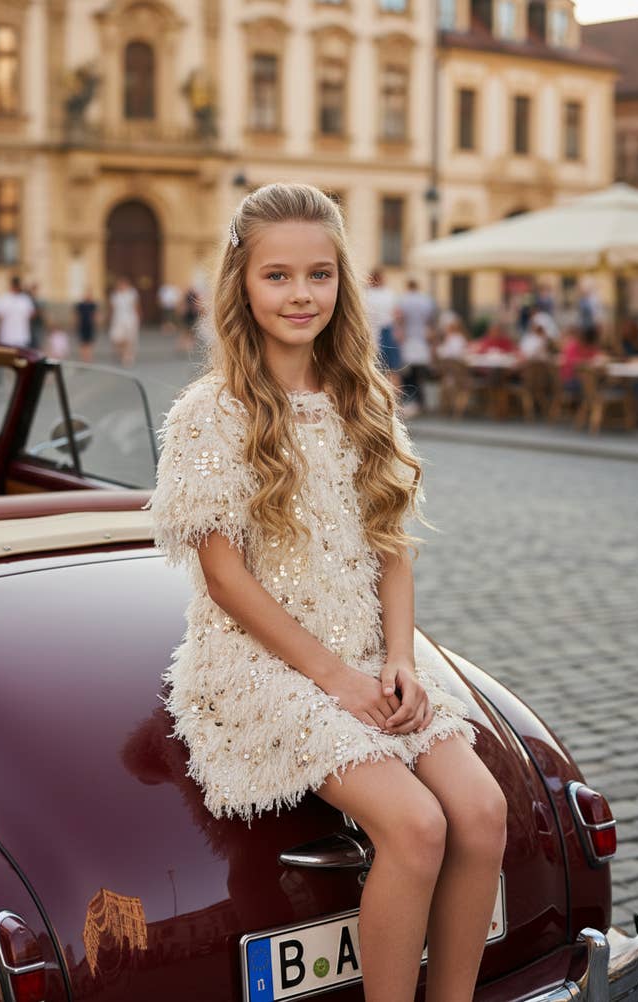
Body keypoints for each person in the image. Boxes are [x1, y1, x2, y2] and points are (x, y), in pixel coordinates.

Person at [148, 183, 506, 1002]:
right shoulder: (212, 413)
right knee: (416, 826)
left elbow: (391, 545)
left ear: (342, 282)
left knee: (481, 814)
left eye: (319, 274)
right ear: (241, 282)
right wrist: (335, 680)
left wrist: (399, 658)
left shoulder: (364, 399)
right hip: (261, 663)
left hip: (369, 651)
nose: (300, 295)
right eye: (277, 276)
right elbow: (224, 576)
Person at [395, 278, 436, 417]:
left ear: (407, 286)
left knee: (408, 374)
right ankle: (421, 402)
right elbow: (430, 321)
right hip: (422, 339)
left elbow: (400, 320)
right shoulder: (426, 300)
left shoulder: (403, 300)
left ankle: (411, 402)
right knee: (421, 374)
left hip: (408, 340)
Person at [365, 268, 401, 387]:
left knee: (373, 369)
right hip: (387, 331)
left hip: (371, 333)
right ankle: (395, 399)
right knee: (392, 369)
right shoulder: (389, 293)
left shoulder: (366, 294)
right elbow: (397, 315)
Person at [108, 276, 141, 367]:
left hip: (130, 318)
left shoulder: (132, 294)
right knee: (117, 338)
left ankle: (127, 356)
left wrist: (138, 318)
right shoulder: (115, 295)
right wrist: (110, 319)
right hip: (118, 319)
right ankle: (123, 353)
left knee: (129, 338)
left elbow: (136, 306)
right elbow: (112, 308)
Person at [0, 276, 34, 349]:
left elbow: (32, 314)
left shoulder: (25, 298)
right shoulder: (5, 298)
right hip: (7, 335)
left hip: (21, 335)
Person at [74, 289, 98, 363]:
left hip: (90, 325)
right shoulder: (80, 305)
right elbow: (77, 315)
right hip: (82, 325)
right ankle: (84, 357)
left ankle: (89, 357)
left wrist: (95, 322)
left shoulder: (93, 304)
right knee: (83, 342)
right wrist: (76, 323)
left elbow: (95, 315)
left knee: (90, 341)